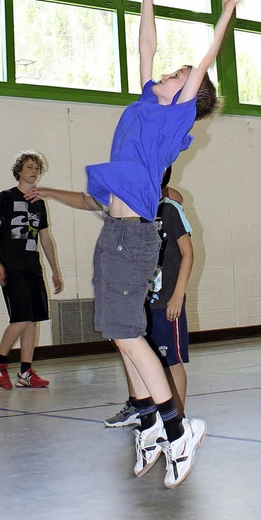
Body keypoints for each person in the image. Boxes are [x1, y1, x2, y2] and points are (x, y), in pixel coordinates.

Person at [25, 0, 240, 489]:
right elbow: (145, 46)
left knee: (127, 334)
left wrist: (226, 13)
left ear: (189, 92)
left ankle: (176, 428)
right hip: (112, 233)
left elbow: (206, 59)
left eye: (181, 74)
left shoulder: (174, 119)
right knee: (119, 335)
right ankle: (148, 425)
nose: (169, 72)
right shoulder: (147, 103)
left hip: (134, 237)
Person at [104, 168, 193, 426]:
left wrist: (177, 295)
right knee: (141, 357)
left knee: (171, 361)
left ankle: (178, 420)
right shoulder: (135, 215)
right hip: (140, 303)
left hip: (166, 302)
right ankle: (144, 411)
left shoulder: (170, 210)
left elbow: (188, 254)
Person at [0, 150, 62, 389]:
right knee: (21, 317)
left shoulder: (39, 202)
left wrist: (55, 270)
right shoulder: (6, 197)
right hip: (12, 266)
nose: (34, 170)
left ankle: (25, 371)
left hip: (33, 268)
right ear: (19, 171)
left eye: (37, 167)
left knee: (33, 320)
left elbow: (45, 238)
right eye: (29, 166)